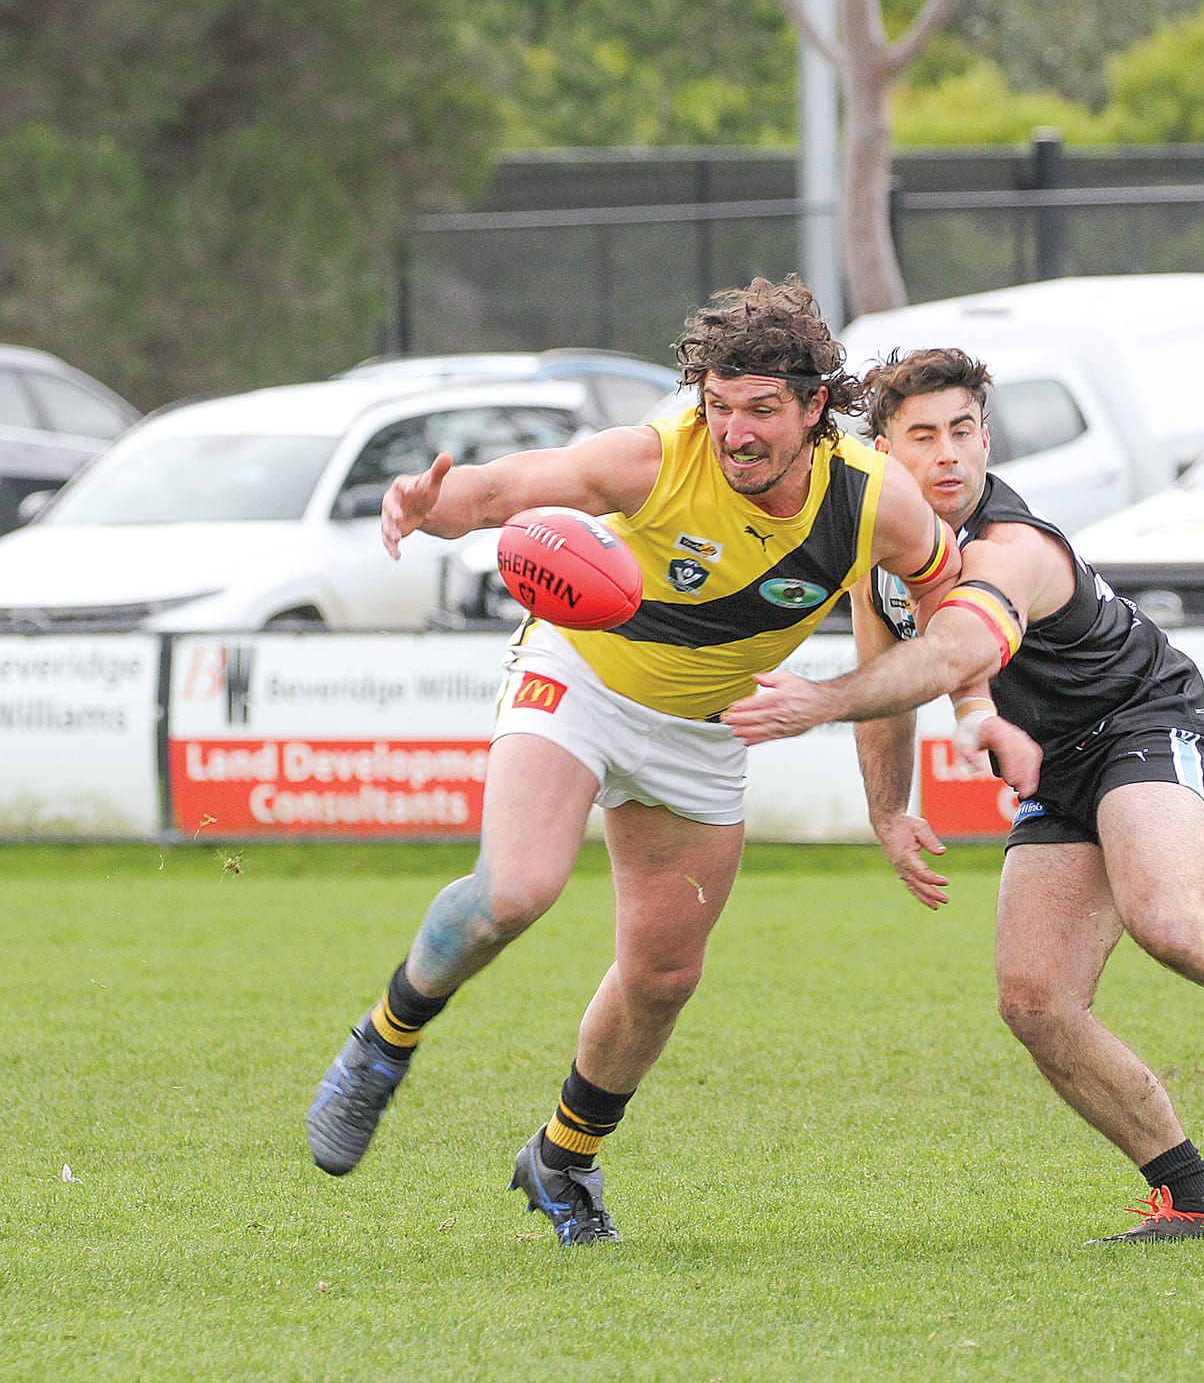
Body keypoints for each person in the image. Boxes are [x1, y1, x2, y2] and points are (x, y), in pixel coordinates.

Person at [724, 348, 1204, 1243]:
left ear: (986, 440)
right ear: (883, 452)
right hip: (1056, 768)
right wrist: (888, 809)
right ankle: (1191, 1198)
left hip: (1145, 720)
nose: (948, 454)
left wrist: (817, 701)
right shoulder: (883, 559)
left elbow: (953, 655)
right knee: (1035, 1001)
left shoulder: (1011, 547)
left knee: (1168, 916)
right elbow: (889, 685)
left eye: (963, 431)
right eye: (923, 436)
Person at [305, 277, 967, 1244]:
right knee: (516, 889)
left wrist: (972, 709)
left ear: (815, 406)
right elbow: (508, 489)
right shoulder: (655, 458)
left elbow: (949, 610)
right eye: (719, 405)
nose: (735, 432)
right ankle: (384, 1039)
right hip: (579, 677)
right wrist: (436, 505)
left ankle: (563, 1158)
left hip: (703, 728)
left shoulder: (875, 501)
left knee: (663, 976)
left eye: (761, 409)